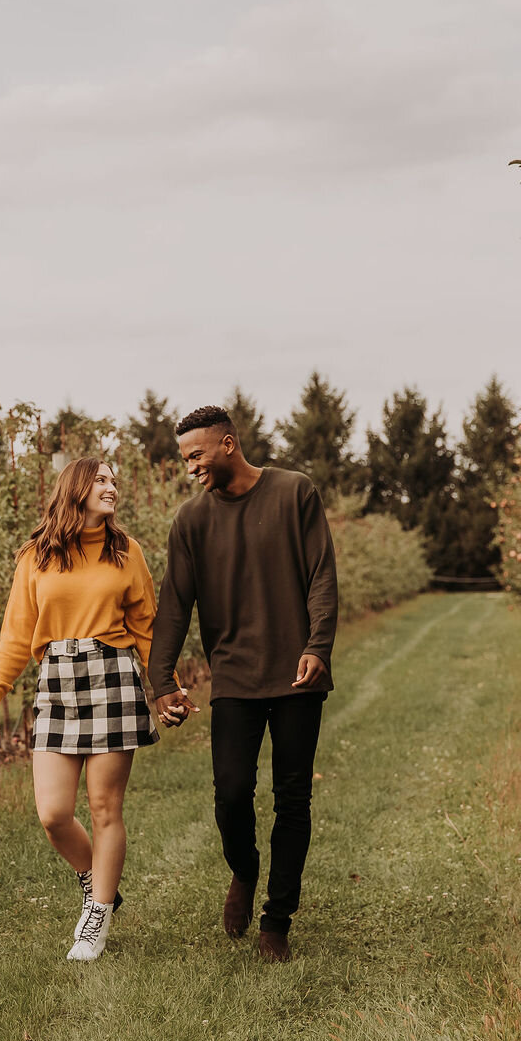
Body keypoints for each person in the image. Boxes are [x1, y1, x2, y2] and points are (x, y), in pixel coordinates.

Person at [149, 405, 338, 962]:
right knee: (231, 792)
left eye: (196, 455)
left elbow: (322, 574)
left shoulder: (294, 493)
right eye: (185, 459)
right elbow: (175, 606)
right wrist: (163, 681)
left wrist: (318, 647)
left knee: (292, 798)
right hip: (232, 676)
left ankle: (277, 920)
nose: (191, 468)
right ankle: (245, 870)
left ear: (228, 443)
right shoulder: (190, 521)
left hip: (297, 676)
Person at [0, 457, 157, 962]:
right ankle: (98, 884)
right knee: (53, 813)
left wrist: (167, 688)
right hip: (56, 680)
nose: (111, 486)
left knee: (104, 808)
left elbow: (147, 628)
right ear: (75, 487)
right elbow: (16, 631)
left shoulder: (127, 552)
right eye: (100, 479)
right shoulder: (38, 556)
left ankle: (97, 917)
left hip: (113, 676)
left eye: (114, 480)